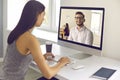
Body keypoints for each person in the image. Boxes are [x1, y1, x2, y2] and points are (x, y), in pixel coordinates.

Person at [0, 0, 70, 80]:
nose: (43, 18)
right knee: (54, 78)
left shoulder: (17, 32)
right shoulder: (30, 39)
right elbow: (48, 74)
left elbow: (18, 59)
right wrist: (62, 63)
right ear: (36, 15)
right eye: (43, 15)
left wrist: (41, 57)